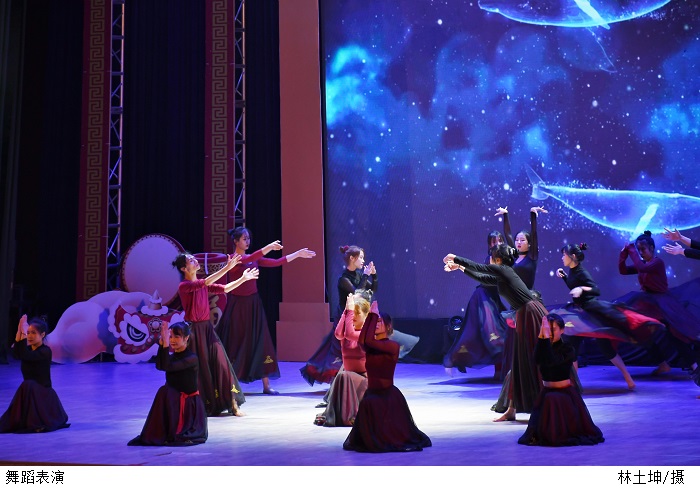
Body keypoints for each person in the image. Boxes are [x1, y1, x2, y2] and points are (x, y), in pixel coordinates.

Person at [444, 244, 547, 422]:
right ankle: (512, 409)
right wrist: (459, 267)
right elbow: (481, 277)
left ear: (497, 260)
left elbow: (479, 268)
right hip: (524, 315)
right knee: (518, 362)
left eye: (492, 258)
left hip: (530, 315)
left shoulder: (504, 270)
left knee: (530, 360)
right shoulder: (503, 275)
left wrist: (456, 257)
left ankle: (543, 405)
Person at [549, 243, 663, 390]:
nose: (562, 257)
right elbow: (574, 286)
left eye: (564, 255)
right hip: (578, 313)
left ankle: (628, 378)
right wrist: (565, 277)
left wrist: (582, 289)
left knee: (606, 348)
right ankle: (574, 384)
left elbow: (595, 290)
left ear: (573, 256)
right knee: (572, 347)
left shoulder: (582, 272)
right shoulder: (572, 271)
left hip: (591, 312)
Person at [217, 227, 316, 394]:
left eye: (248, 238)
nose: (247, 241)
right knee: (235, 343)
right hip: (238, 306)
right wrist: (269, 247)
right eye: (244, 239)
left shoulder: (253, 258)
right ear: (235, 241)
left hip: (254, 305)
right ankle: (230, 385)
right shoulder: (234, 259)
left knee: (260, 341)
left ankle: (266, 386)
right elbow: (251, 257)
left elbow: (276, 262)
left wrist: (297, 254)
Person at [174, 252, 258, 416]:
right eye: (190, 260)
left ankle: (233, 404)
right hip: (194, 332)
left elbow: (225, 288)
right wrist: (227, 267)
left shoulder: (203, 284)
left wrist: (243, 279)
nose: (194, 260)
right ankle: (201, 404)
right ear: (184, 268)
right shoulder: (184, 286)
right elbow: (205, 282)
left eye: (193, 258)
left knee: (222, 364)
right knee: (201, 370)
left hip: (207, 329)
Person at [617, 232, 700, 383]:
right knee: (638, 331)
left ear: (651, 248)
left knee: (678, 335)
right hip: (649, 303)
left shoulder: (657, 263)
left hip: (664, 304)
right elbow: (623, 270)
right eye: (638, 250)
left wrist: (632, 249)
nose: (640, 252)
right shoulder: (643, 264)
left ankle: (694, 366)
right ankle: (663, 363)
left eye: (643, 249)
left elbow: (642, 267)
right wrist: (624, 254)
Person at [343, 312, 431, 452]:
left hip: (387, 397)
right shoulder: (370, 347)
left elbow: (368, 341)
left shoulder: (392, 346)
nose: (376, 324)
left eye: (379, 322)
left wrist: (373, 316)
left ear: (388, 326)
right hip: (371, 396)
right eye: (375, 322)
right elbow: (363, 340)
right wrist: (370, 316)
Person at [518, 314, 604, 446]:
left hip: (564, 394)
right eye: (547, 330)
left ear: (562, 330)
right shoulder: (543, 346)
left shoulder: (567, 349)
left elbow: (552, 361)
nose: (550, 333)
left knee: (552, 400)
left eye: (553, 329)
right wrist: (542, 337)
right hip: (547, 392)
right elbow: (537, 359)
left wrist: (545, 340)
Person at [300, 245, 377, 388]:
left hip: (357, 317)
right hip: (344, 317)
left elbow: (372, 289)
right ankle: (337, 383)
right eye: (360, 257)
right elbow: (357, 294)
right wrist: (366, 275)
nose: (363, 260)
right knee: (340, 349)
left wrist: (373, 275)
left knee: (355, 349)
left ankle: (352, 380)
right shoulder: (343, 279)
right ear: (352, 258)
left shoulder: (359, 275)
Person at [128, 322, 207, 446]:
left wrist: (165, 345)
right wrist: (162, 344)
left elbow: (167, 366)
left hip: (187, 405)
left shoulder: (192, 358)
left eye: (177, 336)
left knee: (165, 391)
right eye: (170, 337)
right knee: (164, 390)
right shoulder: (173, 356)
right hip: (173, 399)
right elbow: (160, 366)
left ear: (186, 338)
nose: (172, 340)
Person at [443, 231, 508, 378]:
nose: (497, 243)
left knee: (501, 332)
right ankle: (454, 359)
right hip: (482, 298)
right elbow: (484, 276)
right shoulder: (490, 259)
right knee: (481, 333)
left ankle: (500, 370)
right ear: (489, 245)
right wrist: (459, 265)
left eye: (499, 240)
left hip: (492, 299)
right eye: (493, 241)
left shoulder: (505, 259)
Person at [0, 316, 70, 433]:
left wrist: (22, 333)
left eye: (33, 333)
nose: (30, 336)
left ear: (42, 335)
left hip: (43, 393)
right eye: (28, 333)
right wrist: (19, 331)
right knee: (27, 385)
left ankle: (36, 422)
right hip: (30, 390)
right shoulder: (28, 350)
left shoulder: (45, 351)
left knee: (27, 384)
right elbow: (17, 354)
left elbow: (24, 355)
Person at [314, 293, 371, 427]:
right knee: (343, 375)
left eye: (357, 313)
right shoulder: (346, 333)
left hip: (365, 380)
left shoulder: (367, 334)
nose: (354, 316)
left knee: (344, 376)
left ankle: (349, 415)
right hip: (349, 378)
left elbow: (350, 334)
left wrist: (350, 311)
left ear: (366, 316)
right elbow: (338, 333)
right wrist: (346, 310)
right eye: (352, 312)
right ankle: (342, 415)